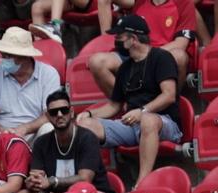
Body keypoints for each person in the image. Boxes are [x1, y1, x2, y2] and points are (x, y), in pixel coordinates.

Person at [76, 15, 180, 181]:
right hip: (132, 126)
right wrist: (89, 114)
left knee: (148, 120)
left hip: (164, 123)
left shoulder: (161, 57)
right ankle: (90, 179)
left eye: (120, 36)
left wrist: (143, 111)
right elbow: (114, 106)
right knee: (85, 126)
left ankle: (142, 181)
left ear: (134, 39)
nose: (116, 39)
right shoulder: (125, 67)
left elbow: (169, 95)